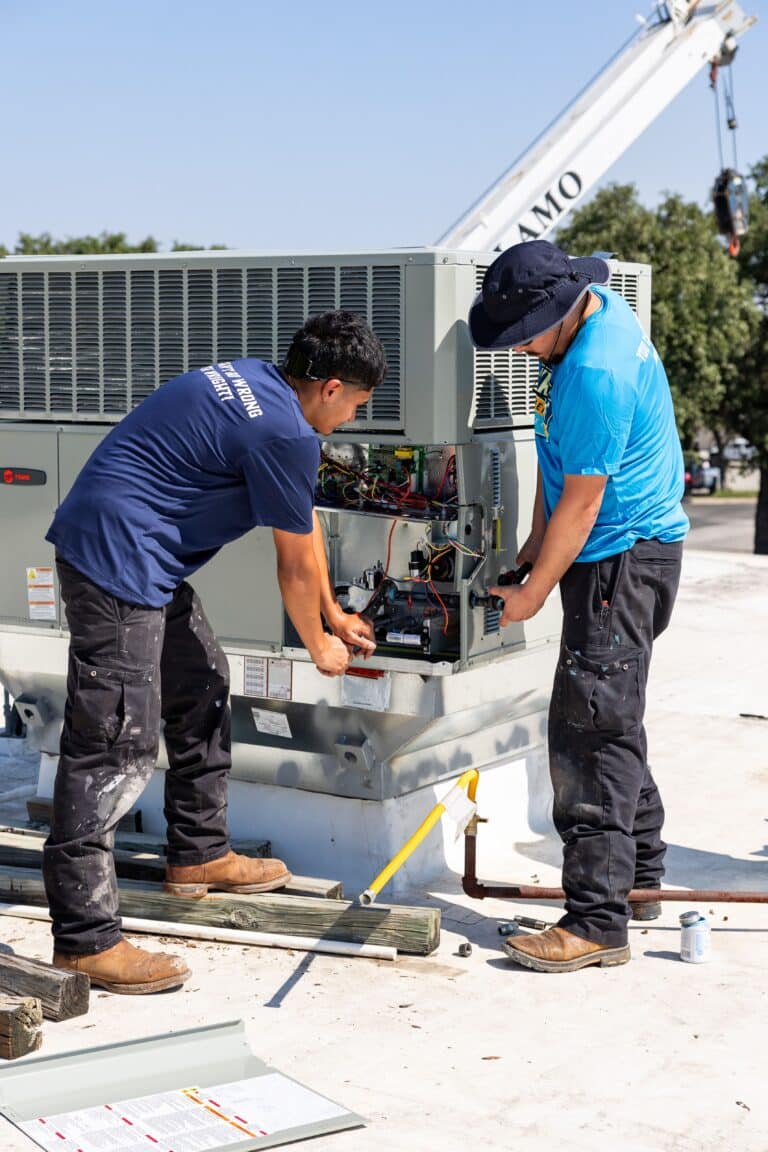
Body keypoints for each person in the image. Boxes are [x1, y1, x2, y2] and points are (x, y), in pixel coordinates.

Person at [43, 310, 384, 994]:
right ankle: (85, 940)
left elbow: (303, 523)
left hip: (137, 555)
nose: (352, 418)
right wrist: (317, 645)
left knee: (201, 680)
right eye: (356, 405)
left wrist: (334, 612)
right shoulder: (286, 432)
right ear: (330, 387)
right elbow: (290, 564)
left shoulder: (261, 383)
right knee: (115, 742)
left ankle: (198, 854)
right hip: (118, 562)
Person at [469, 240, 689, 973]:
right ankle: (641, 878)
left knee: (588, 729)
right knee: (615, 714)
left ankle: (595, 923)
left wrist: (531, 593)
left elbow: (586, 501)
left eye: (527, 333)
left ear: (564, 311)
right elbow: (555, 459)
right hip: (618, 552)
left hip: (620, 559)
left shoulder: (594, 372)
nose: (523, 349)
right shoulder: (592, 319)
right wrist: (534, 544)